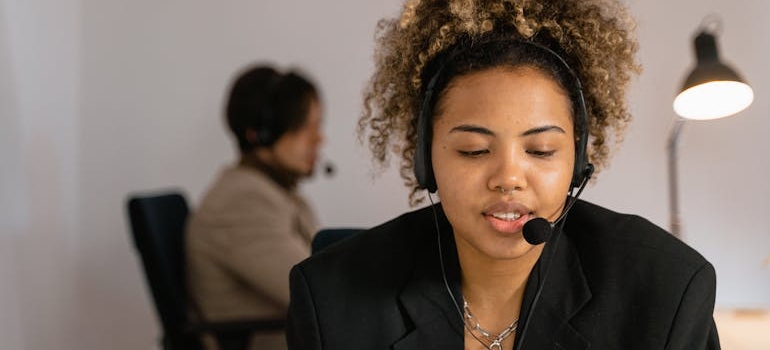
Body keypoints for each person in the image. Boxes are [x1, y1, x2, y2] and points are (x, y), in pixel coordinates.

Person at [287, 0, 720, 349]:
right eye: (474, 150)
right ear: (425, 156)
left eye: (541, 149)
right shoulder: (329, 299)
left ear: (578, 158)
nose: (509, 177)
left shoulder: (666, 292)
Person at [187, 64, 323, 349]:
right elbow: (318, 292)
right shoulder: (242, 201)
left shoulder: (274, 193)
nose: (318, 138)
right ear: (260, 133)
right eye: (303, 126)